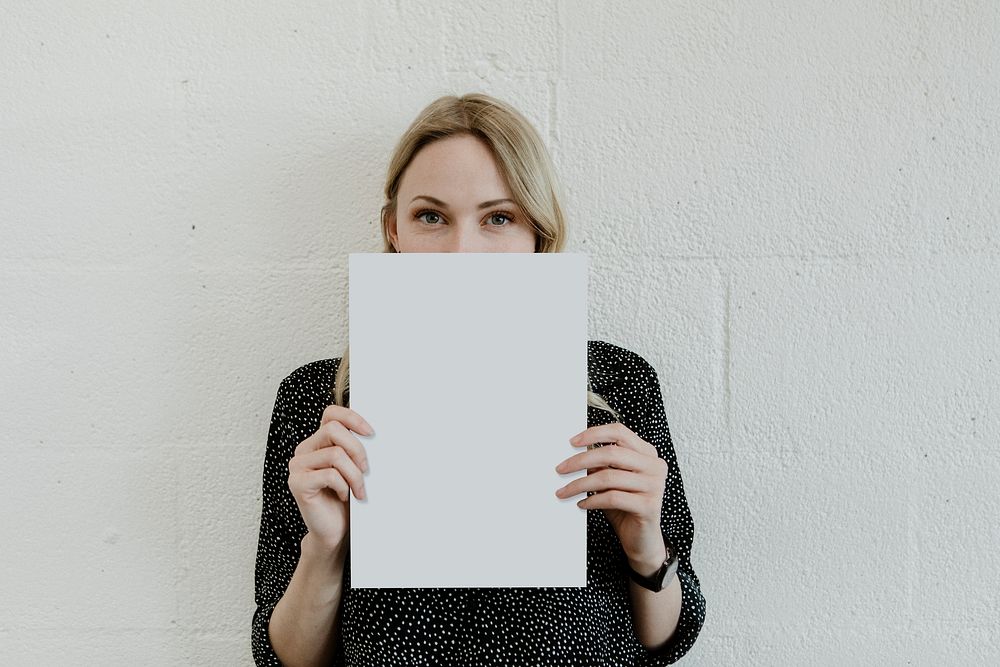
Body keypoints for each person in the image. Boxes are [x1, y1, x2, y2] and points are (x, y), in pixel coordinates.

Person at [252, 93, 706, 666]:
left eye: (499, 218)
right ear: (394, 229)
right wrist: (327, 545)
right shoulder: (318, 401)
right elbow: (287, 659)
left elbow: (668, 641)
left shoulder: (618, 382)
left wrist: (645, 542)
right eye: (431, 216)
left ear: (537, 234)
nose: (462, 251)